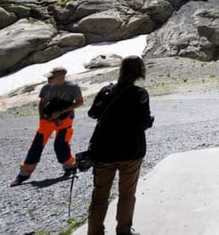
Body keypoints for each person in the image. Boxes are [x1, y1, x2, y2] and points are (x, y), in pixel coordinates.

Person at [86, 56, 154, 235]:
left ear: (121, 70)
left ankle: (94, 232)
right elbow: (143, 122)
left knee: (100, 195)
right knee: (127, 194)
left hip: (104, 150)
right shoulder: (140, 94)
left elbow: (93, 113)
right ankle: (123, 230)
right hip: (130, 150)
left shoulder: (107, 91)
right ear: (140, 72)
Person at [10, 66, 84, 186]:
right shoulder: (46, 87)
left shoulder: (73, 87)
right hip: (47, 120)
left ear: (61, 76)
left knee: (61, 144)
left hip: (65, 120)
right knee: (36, 145)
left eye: (52, 77)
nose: (49, 79)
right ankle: (23, 175)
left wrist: (61, 112)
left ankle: (70, 166)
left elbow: (80, 102)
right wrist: (41, 117)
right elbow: (42, 102)